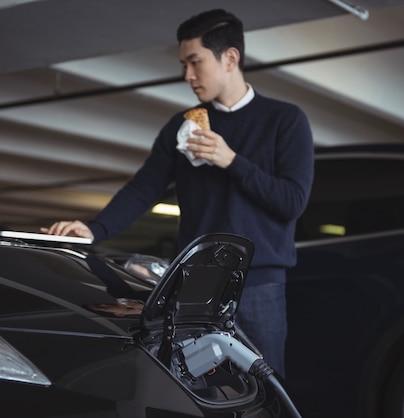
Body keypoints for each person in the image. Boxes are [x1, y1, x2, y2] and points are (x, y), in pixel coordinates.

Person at [42, 9, 314, 377]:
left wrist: (231, 160)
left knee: (263, 388)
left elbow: (291, 202)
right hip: (194, 286)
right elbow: (144, 187)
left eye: (195, 62)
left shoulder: (286, 120)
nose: (187, 75)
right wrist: (94, 229)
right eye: (184, 63)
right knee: (191, 386)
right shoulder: (182, 125)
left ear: (230, 58)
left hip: (260, 283)